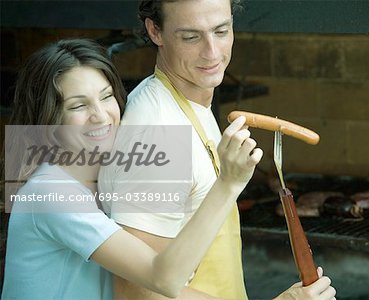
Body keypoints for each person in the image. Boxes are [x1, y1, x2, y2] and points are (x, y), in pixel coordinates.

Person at [99, 0, 337, 299]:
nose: (212, 53)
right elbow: (137, 293)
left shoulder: (190, 102)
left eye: (221, 31)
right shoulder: (158, 133)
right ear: (155, 31)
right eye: (191, 36)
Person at [1, 38, 263, 299]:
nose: (101, 116)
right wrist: (228, 183)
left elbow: (161, 286)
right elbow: (164, 279)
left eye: (106, 97)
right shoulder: (51, 192)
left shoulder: (107, 181)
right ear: (50, 118)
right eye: (79, 105)